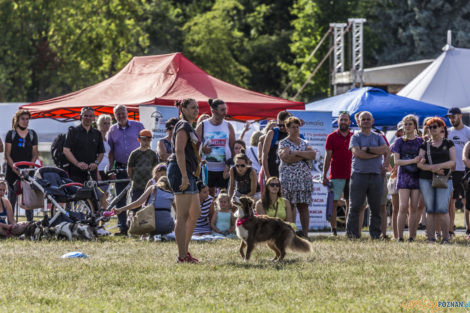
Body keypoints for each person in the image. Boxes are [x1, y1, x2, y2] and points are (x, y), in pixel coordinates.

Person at [167, 98, 201, 263]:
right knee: (182, 215)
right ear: (183, 109)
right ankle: (182, 256)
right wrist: (185, 176)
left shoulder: (189, 126)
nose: (197, 110)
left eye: (198, 107)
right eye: (193, 107)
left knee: (195, 213)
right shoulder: (183, 125)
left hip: (189, 172)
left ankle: (184, 250)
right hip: (181, 172)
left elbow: (187, 150)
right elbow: (179, 151)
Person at [346, 111, 388, 239]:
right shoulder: (355, 137)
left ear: (372, 121)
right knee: (355, 207)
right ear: (358, 122)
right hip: (359, 175)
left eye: (368, 119)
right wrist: (376, 153)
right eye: (363, 119)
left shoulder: (378, 136)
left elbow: (385, 150)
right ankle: (353, 235)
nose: (365, 121)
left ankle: (375, 235)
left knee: (375, 208)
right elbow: (358, 154)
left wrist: (368, 149)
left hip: (376, 176)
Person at [417, 117, 456, 243]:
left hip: (444, 179)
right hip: (426, 179)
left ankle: (445, 238)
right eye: (429, 127)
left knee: (443, 209)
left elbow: (453, 162)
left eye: (434, 126)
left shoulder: (448, 143)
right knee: (430, 210)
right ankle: (431, 238)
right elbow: (419, 164)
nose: (432, 129)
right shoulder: (425, 144)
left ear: (441, 128)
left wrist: (438, 166)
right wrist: (433, 169)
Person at [108, 104, 144, 236]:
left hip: (137, 167)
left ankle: (136, 226)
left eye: (123, 113)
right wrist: (112, 169)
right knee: (120, 198)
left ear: (127, 113)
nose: (121, 116)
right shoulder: (112, 130)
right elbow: (111, 152)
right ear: (115, 116)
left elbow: (145, 145)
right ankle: (122, 227)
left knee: (137, 196)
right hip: (120, 167)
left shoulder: (138, 126)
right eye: (118, 114)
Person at [278, 116, 315, 237]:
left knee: (303, 206)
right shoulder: (283, 143)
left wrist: (296, 153)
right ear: (287, 128)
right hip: (289, 180)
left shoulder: (305, 142)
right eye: (293, 127)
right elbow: (287, 158)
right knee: (290, 206)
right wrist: (304, 155)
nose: (296, 129)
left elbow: (313, 155)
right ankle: (290, 233)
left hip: (304, 180)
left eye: (297, 127)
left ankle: (305, 234)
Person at [391, 115, 424, 242]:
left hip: (416, 177)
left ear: (415, 126)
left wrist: (415, 161)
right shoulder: (399, 141)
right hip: (403, 177)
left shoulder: (420, 142)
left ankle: (412, 236)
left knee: (414, 208)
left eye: (410, 124)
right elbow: (397, 162)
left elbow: (420, 159)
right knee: (403, 206)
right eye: (406, 124)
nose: (408, 126)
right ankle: (400, 237)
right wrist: (412, 160)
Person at [4, 109, 39, 221]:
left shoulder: (33, 134)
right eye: (23, 119)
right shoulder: (11, 134)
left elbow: (35, 153)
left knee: (29, 200)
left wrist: (29, 169)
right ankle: (11, 225)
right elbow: (7, 155)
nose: (25, 121)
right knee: (11, 199)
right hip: (13, 172)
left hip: (28, 172)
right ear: (17, 120)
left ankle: (30, 225)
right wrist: (16, 169)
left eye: (27, 119)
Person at [196, 98, 235, 196]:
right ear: (213, 111)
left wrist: (231, 164)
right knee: (207, 196)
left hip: (224, 169)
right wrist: (202, 150)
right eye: (222, 110)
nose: (225, 112)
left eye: (225, 109)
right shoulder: (203, 125)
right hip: (207, 169)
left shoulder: (228, 126)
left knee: (225, 197)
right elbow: (193, 147)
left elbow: (232, 147)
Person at [322, 111, 353, 236]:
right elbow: (327, 157)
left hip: (352, 175)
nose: (343, 122)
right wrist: (324, 175)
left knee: (349, 202)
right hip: (336, 175)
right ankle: (333, 229)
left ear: (349, 122)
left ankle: (348, 229)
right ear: (338, 121)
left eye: (346, 120)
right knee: (334, 203)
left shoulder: (354, 136)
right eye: (341, 119)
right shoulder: (331, 137)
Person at [446, 107, 470, 238]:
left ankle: (468, 230)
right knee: (451, 202)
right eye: (449, 117)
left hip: (466, 171)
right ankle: (450, 230)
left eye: (453, 117)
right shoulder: (448, 132)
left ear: (460, 116)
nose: (451, 119)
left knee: (467, 202)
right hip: (452, 171)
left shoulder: (468, 131)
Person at [63, 107, 104, 184]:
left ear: (93, 118)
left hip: (92, 174)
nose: (88, 118)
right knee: (78, 196)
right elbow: (66, 150)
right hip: (75, 174)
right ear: (81, 116)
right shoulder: (73, 131)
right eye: (85, 115)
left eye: (90, 116)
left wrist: (96, 163)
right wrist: (77, 163)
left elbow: (101, 153)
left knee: (93, 196)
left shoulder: (97, 133)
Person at [127, 129, 159, 209]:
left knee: (148, 208)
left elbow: (156, 169)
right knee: (135, 208)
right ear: (139, 140)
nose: (146, 142)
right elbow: (130, 168)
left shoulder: (153, 154)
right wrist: (132, 178)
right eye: (144, 139)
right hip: (137, 186)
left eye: (148, 140)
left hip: (150, 186)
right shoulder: (134, 153)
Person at [262, 111, 291, 180]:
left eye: (284, 125)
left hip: (288, 174)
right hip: (273, 173)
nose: (281, 127)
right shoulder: (272, 133)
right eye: (279, 125)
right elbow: (264, 155)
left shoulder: (293, 133)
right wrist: (267, 175)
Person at [97, 114, 112, 180]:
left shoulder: (107, 137)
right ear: (99, 124)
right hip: (98, 169)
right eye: (104, 123)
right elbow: (92, 156)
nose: (107, 125)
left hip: (107, 169)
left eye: (108, 123)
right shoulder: (96, 136)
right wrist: (96, 172)